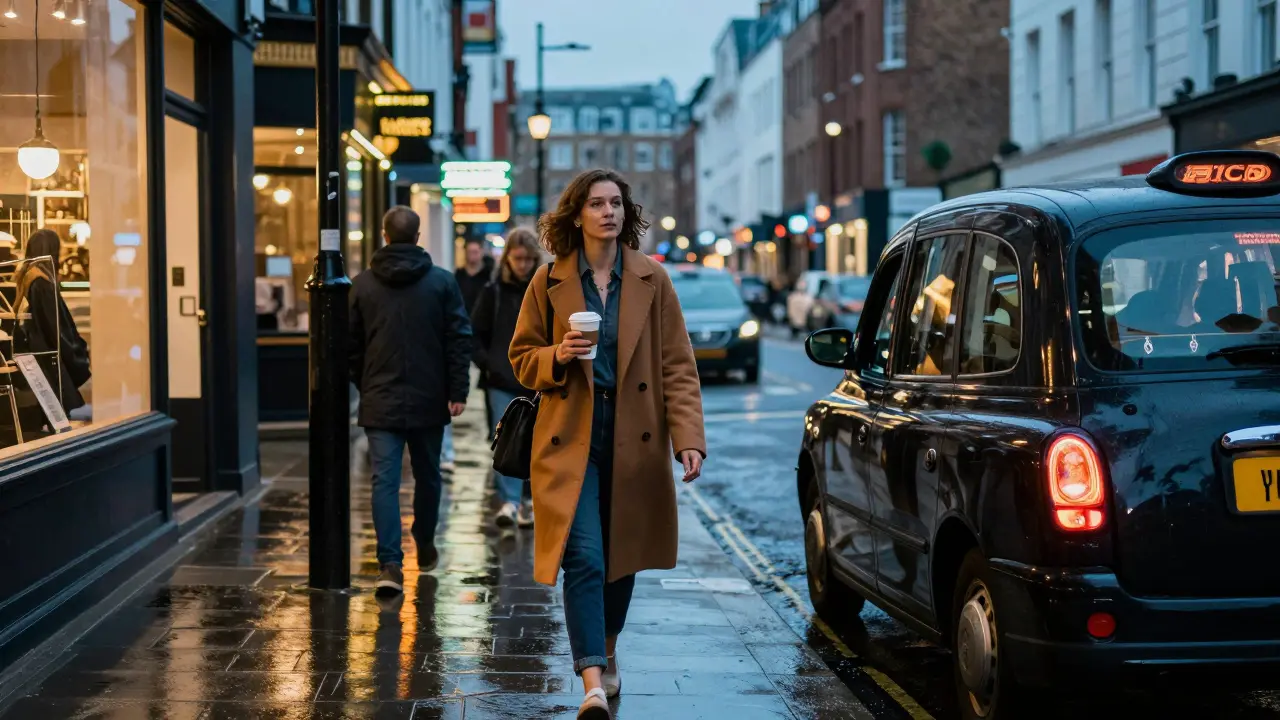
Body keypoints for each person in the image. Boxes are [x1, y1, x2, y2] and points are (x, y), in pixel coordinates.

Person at [509, 169, 706, 720]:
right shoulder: (548, 281)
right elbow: (521, 361)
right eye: (596, 203)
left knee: (622, 562)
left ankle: (609, 650)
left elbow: (678, 366)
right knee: (586, 558)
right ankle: (592, 682)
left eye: (616, 203)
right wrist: (559, 355)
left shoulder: (652, 279)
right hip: (569, 440)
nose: (608, 212)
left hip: (634, 437)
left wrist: (688, 438)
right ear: (577, 215)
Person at [350, 206, 471, 597]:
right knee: (428, 475)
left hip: (380, 397)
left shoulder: (363, 285)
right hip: (429, 397)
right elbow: (458, 338)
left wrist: (365, 381)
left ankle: (389, 563)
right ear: (417, 238)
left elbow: (350, 346)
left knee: (384, 480)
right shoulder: (441, 283)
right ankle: (424, 537)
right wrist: (457, 390)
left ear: (384, 235)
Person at [471, 227, 540, 529]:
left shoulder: (545, 290)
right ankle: (510, 501)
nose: (523, 264)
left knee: (538, 441)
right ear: (508, 258)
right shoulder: (494, 291)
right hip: (501, 379)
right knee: (506, 442)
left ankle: (529, 501)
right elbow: (474, 334)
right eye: (518, 258)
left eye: (528, 259)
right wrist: (490, 365)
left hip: (539, 380)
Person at [13, 229, 90, 436]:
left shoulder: (27, 277)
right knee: (70, 418)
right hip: (50, 359)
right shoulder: (42, 283)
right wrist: (77, 350)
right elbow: (55, 327)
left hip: (37, 355)